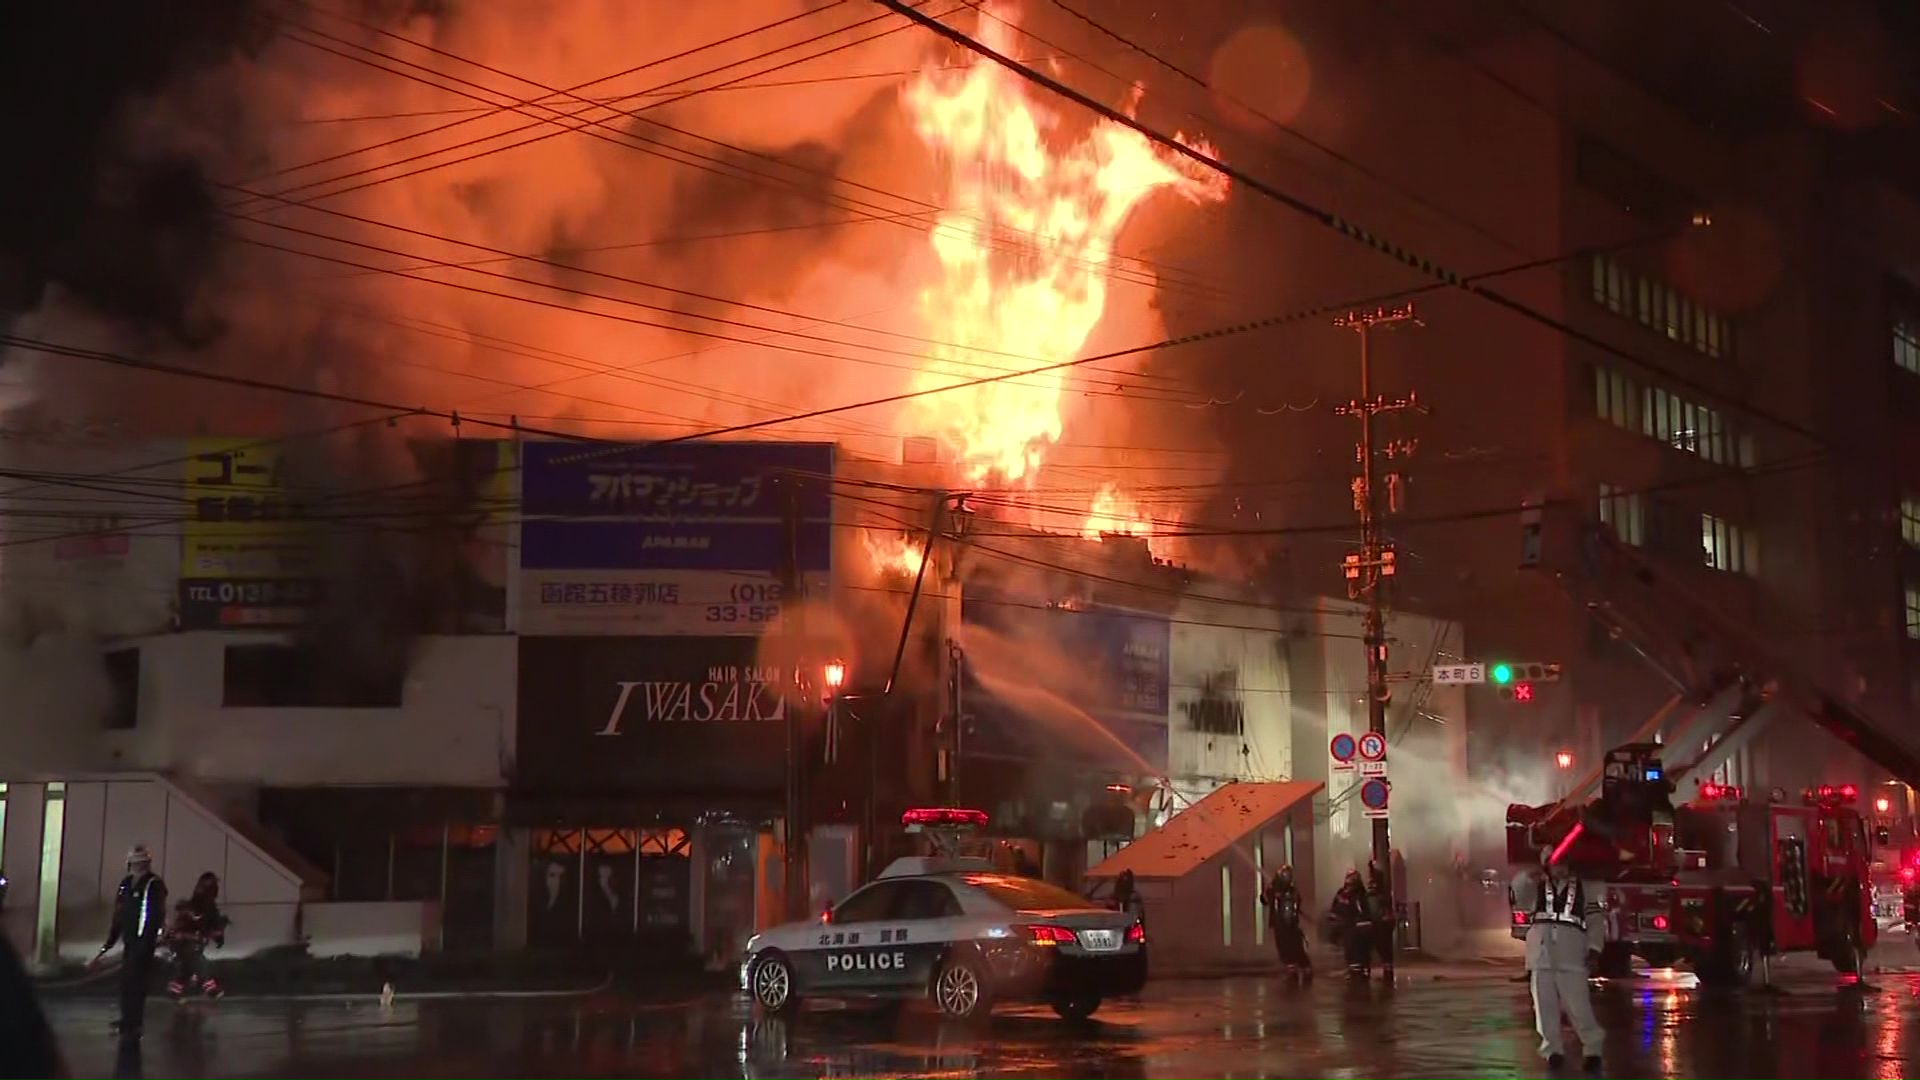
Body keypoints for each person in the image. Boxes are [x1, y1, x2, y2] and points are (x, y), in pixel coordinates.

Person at [1514, 846, 1605, 1072]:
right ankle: (1552, 1050)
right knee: (1544, 1007)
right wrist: (1526, 876)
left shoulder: (1585, 886)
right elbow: (1518, 897)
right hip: (1541, 954)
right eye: (1555, 862)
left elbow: (1595, 920)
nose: (1560, 867)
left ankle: (1592, 1049)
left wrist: (1594, 949)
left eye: (1563, 862)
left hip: (1572, 952)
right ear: (1547, 864)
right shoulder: (1535, 885)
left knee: (1578, 1006)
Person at [93, 846, 167, 1040]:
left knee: (137, 982)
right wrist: (111, 940)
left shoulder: (153, 884)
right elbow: (119, 913)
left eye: (141, 862)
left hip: (143, 943)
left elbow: (153, 916)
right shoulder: (126, 884)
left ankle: (135, 1023)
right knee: (127, 982)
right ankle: (127, 1019)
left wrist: (145, 942)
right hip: (130, 941)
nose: (137, 866)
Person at [167, 872, 228, 999]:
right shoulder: (194, 906)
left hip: (192, 942)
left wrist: (218, 935)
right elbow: (186, 920)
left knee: (187, 968)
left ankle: (175, 991)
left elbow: (213, 926)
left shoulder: (210, 908)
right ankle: (210, 988)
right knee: (198, 962)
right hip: (185, 942)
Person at [1262, 865, 1311, 981]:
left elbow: (1294, 905)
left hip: (1291, 924)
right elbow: (1263, 901)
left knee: (1295, 946)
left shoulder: (1292, 891)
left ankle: (1305, 967)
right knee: (1283, 947)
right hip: (1279, 925)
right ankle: (1291, 969)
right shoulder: (1273, 890)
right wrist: (1271, 891)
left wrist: (1282, 896)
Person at [1328, 870, 1373, 978]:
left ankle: (1359, 970)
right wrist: (1334, 920)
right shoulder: (1341, 893)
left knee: (1357, 949)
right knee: (1349, 948)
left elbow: (1363, 911)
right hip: (1346, 926)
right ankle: (1354, 969)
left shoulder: (1360, 894)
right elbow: (1335, 907)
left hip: (1356, 927)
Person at [1365, 861, 1396, 979]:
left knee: (1383, 947)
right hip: (1378, 923)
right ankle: (1386, 967)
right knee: (1381, 948)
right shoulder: (1374, 897)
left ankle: (1387, 968)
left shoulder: (1379, 897)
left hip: (1381, 924)